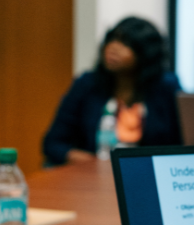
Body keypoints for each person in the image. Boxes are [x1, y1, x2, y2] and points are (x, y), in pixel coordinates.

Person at [43, 17, 182, 165]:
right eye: (112, 39)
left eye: (125, 43)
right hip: (92, 178)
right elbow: (53, 144)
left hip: (147, 176)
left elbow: (182, 144)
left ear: (146, 53)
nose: (113, 47)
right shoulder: (87, 84)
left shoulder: (167, 88)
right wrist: (92, 164)